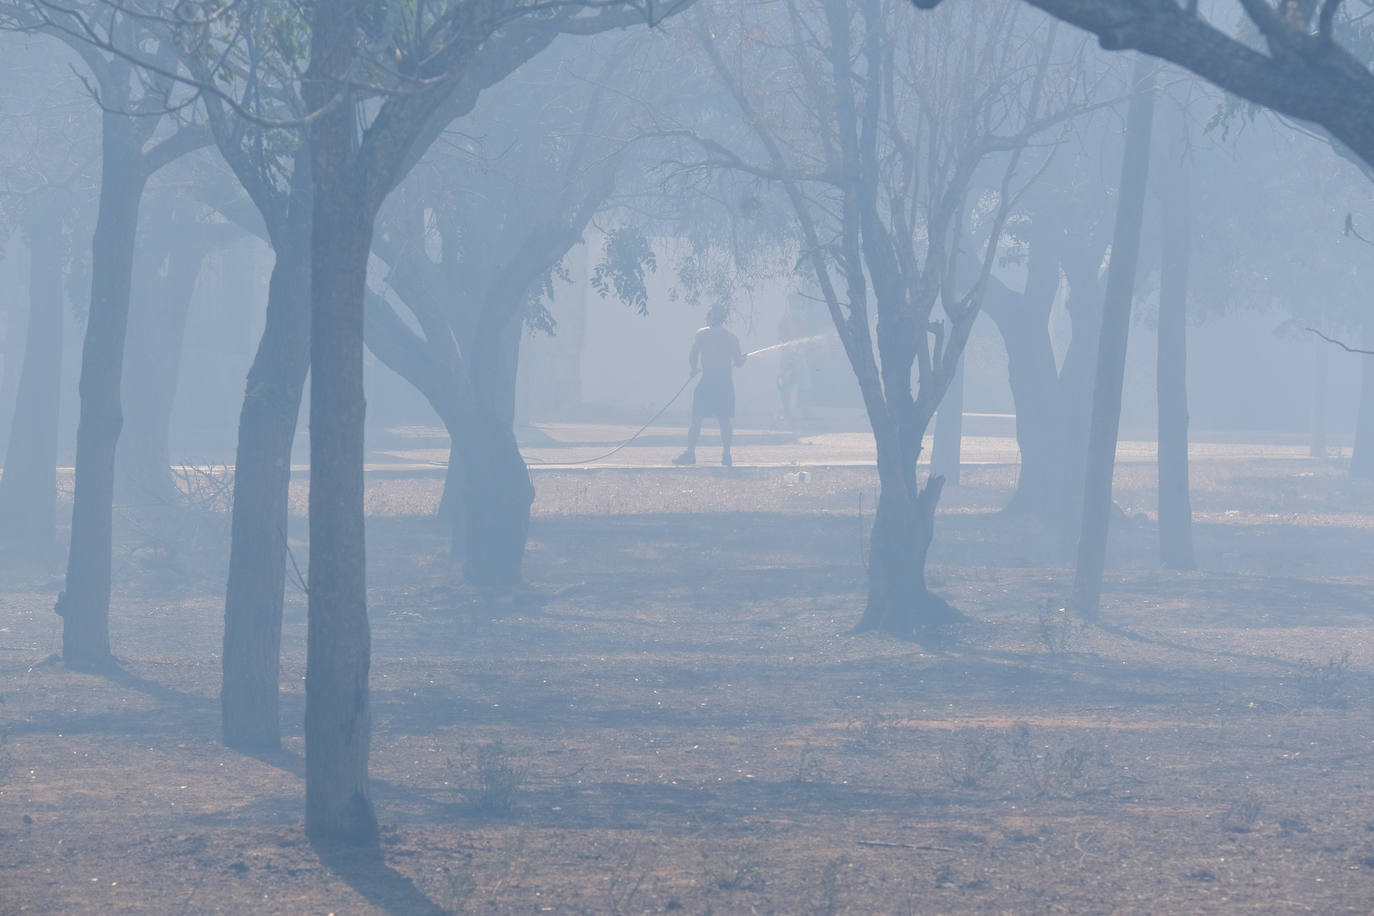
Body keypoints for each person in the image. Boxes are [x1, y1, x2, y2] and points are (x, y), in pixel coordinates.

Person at [674, 304, 746, 467]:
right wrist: (743, 359)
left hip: (708, 380)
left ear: (712, 318)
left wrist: (693, 369)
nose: (707, 318)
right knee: (724, 420)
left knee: (696, 419)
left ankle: (690, 453)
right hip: (725, 382)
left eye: (709, 315)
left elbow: (693, 354)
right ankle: (726, 455)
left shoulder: (702, 334)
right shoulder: (732, 337)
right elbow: (739, 362)